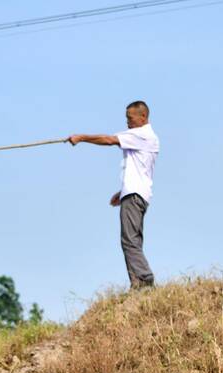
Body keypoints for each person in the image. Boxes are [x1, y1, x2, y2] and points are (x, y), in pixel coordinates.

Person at [69, 100, 160, 288]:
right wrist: (122, 191)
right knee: (132, 240)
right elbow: (142, 170)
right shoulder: (146, 137)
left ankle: (144, 278)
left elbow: (109, 140)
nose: (127, 122)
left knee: (129, 240)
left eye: (130, 118)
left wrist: (81, 138)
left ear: (143, 117)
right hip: (136, 194)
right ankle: (138, 284)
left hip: (134, 196)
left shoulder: (141, 134)